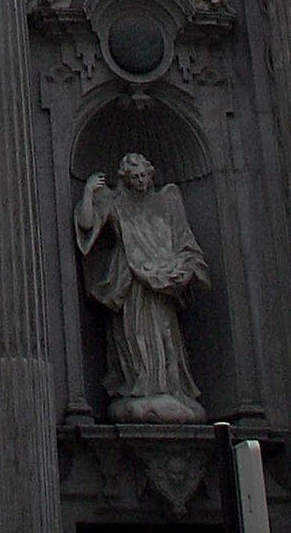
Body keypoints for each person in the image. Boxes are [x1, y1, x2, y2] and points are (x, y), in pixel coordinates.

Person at [75, 153, 209, 421]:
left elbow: (186, 243)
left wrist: (182, 270)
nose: (141, 181)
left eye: (144, 176)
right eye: (135, 177)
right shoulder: (114, 203)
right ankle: (140, 387)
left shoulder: (168, 201)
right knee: (136, 337)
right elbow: (87, 224)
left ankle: (170, 388)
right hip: (130, 283)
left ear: (151, 175)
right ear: (125, 179)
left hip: (163, 286)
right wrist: (89, 192)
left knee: (165, 338)